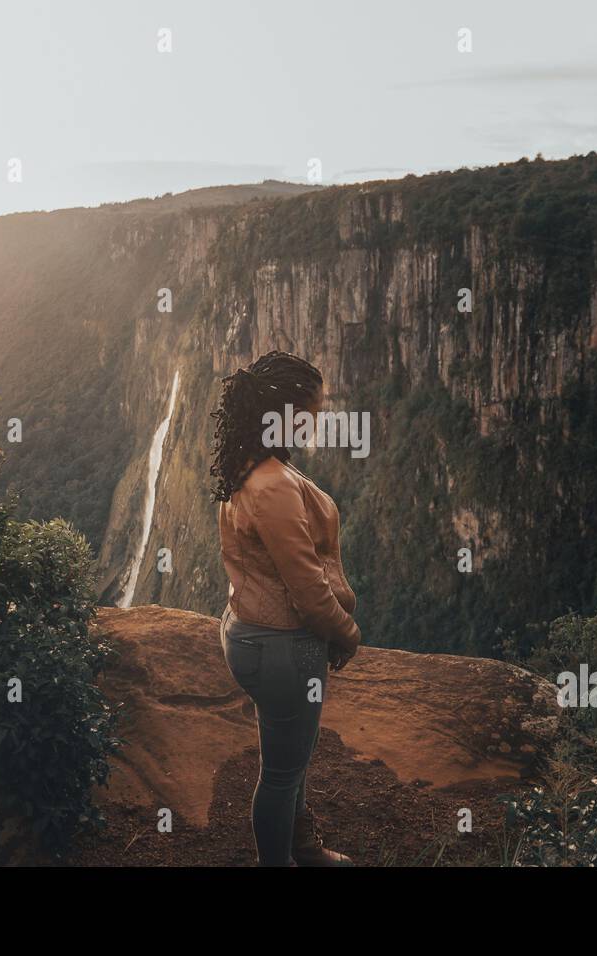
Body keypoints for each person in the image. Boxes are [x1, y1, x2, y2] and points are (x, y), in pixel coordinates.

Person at [210, 350, 360, 867]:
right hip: (281, 645)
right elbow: (309, 592)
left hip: (250, 632)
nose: (316, 423)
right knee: (279, 774)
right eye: (312, 413)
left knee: (287, 758)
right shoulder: (272, 487)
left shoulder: (247, 465)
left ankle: (302, 846)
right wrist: (347, 634)